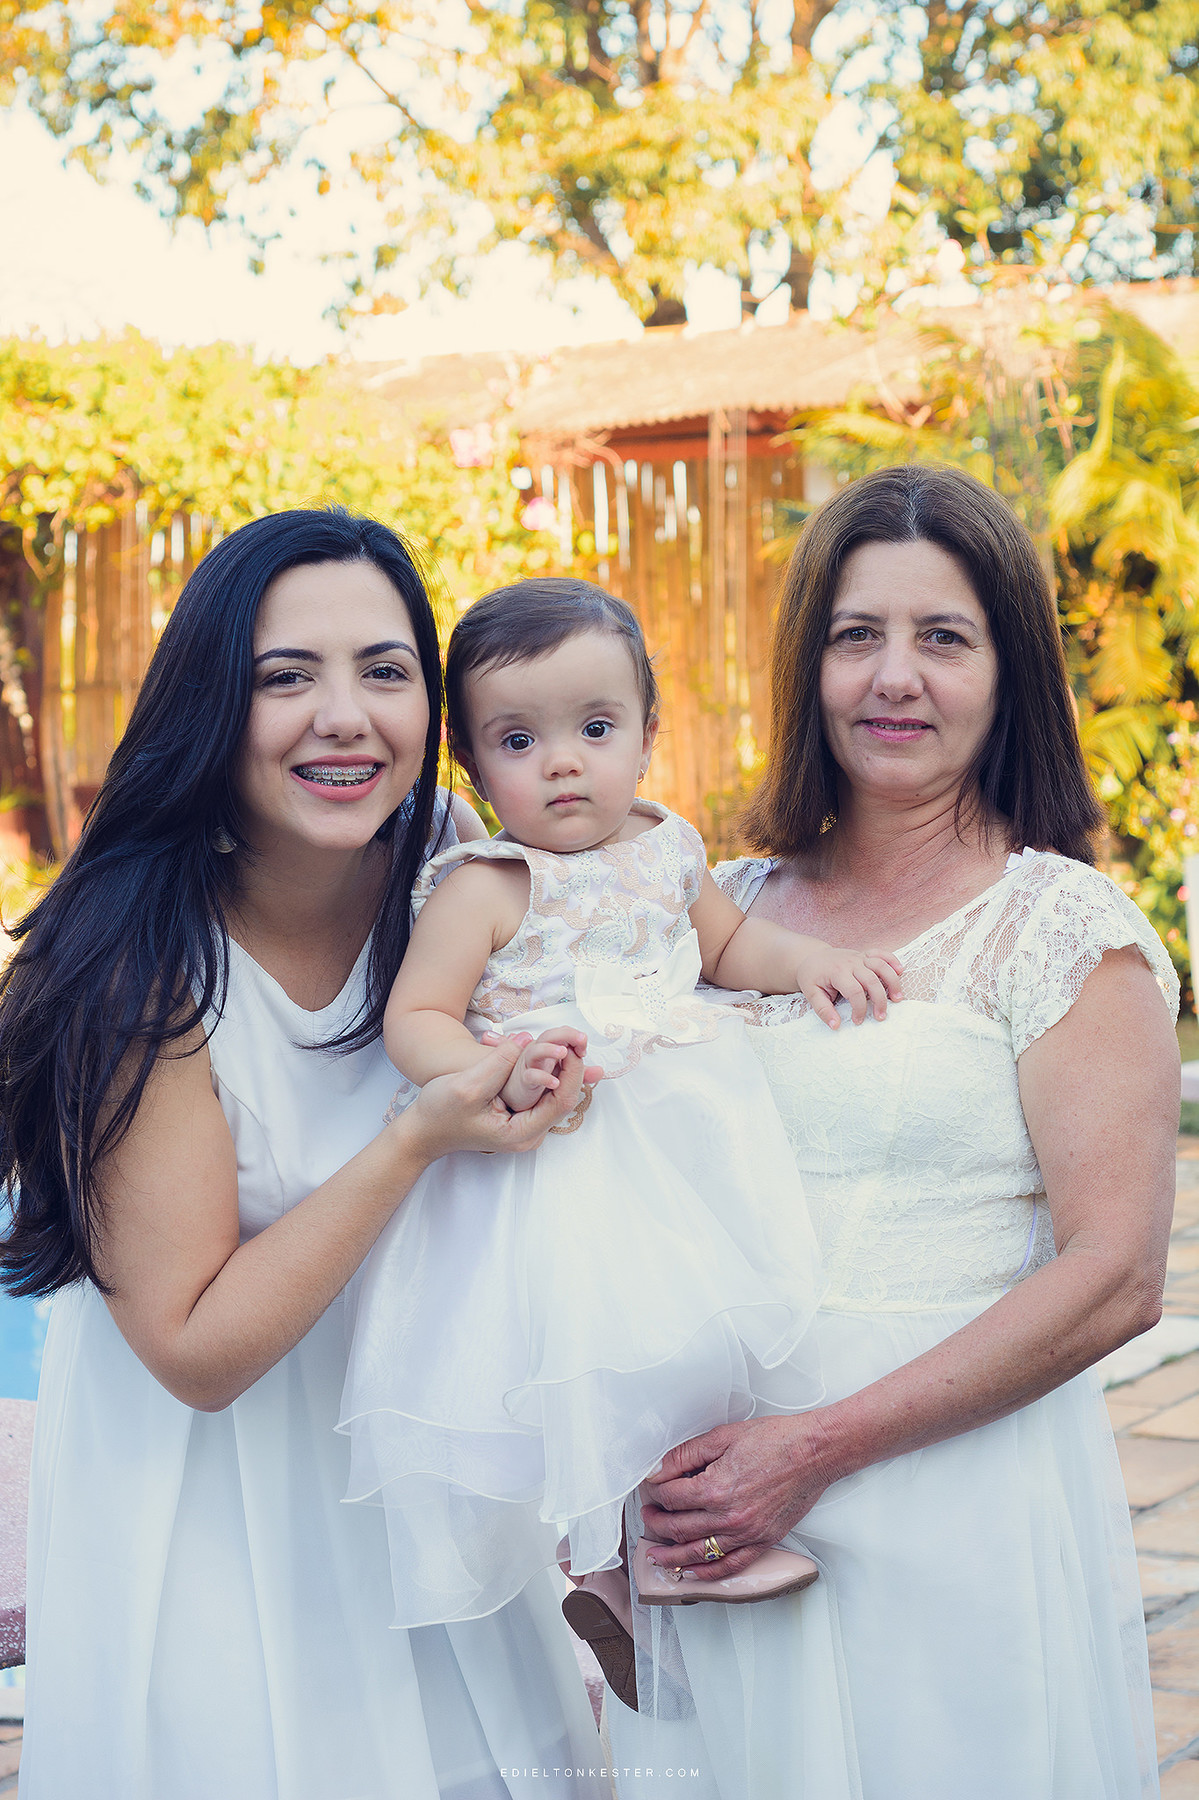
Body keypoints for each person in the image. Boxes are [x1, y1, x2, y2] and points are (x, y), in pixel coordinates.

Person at [0, 511, 608, 1800]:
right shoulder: (131, 967)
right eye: (288, 678)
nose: (346, 717)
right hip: (223, 1530)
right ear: (214, 704)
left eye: (386, 672)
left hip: (438, 1525)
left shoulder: (472, 869)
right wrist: (417, 1142)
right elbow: (197, 1351)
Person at [606, 464, 1181, 1799]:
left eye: (941, 637)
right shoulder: (712, 907)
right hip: (698, 1516)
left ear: (1008, 672)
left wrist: (811, 1448)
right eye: (854, 635)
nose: (891, 677)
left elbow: (1112, 1279)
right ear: (808, 664)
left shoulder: (1061, 931)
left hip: (936, 1494)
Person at [338, 579, 903, 1687]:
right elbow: (415, 1020)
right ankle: (602, 1567)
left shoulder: (665, 847)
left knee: (694, 1351)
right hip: (561, 1161)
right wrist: (491, 1073)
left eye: (594, 730)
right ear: (469, 766)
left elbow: (731, 947)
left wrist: (813, 965)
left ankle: (677, 1543)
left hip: (684, 1151)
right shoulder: (489, 885)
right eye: (518, 739)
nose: (561, 762)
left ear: (647, 731)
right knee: (591, 1370)